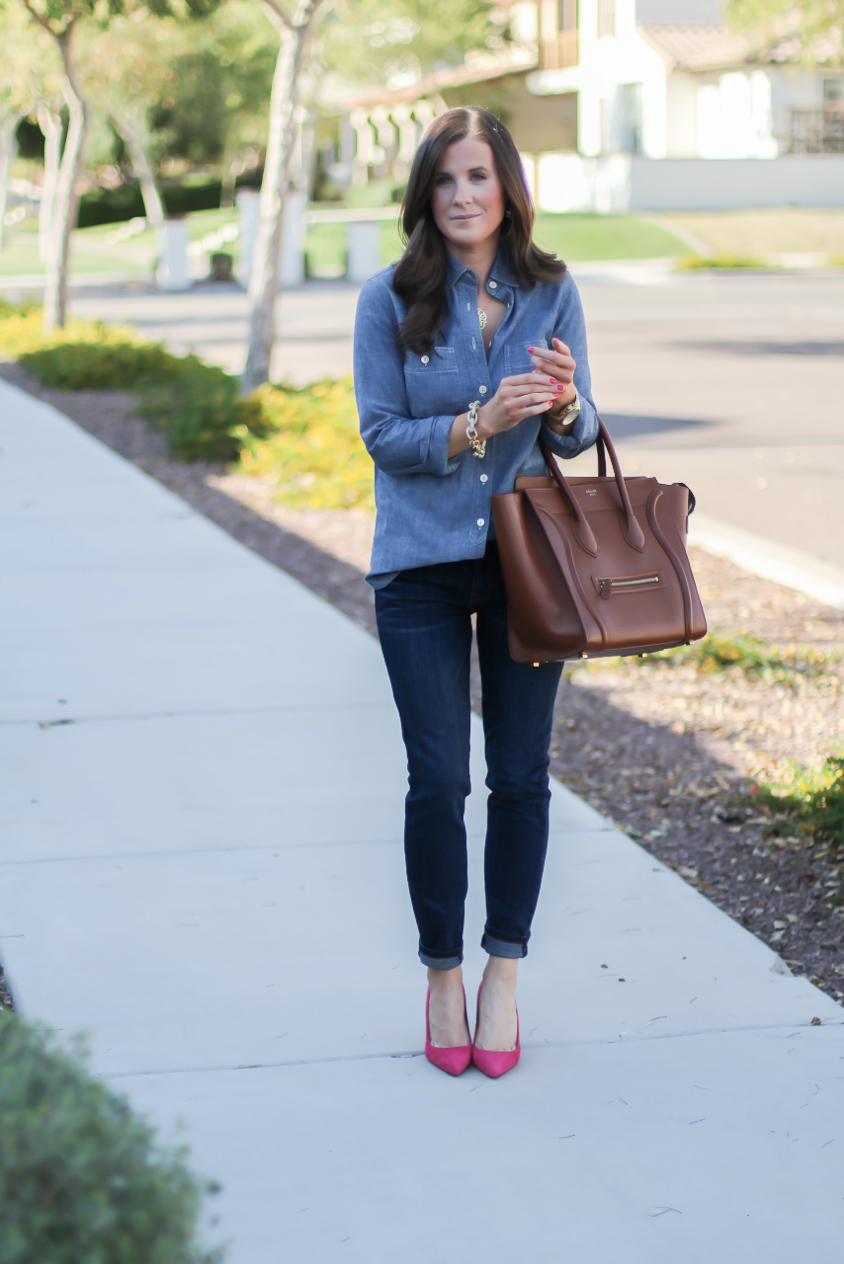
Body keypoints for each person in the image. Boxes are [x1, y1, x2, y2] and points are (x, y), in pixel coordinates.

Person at [353, 107, 598, 1078]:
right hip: (416, 567)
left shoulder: (550, 290)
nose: (461, 196)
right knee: (439, 781)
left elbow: (576, 437)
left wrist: (568, 400)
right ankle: (441, 973)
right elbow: (379, 433)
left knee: (520, 778)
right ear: (426, 192)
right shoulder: (389, 296)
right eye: (445, 180)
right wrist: (473, 422)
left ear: (507, 192)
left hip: (526, 566)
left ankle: (503, 973)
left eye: (478, 179)